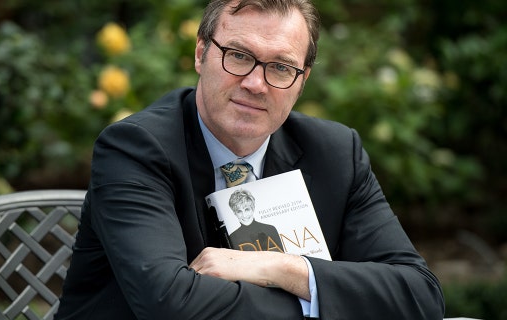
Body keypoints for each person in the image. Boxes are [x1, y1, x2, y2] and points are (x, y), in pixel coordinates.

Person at [56, 0, 445, 319]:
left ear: (302, 81)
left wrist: (282, 268)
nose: (255, 84)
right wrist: (323, 302)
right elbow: (168, 305)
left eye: (280, 67)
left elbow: (419, 295)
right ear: (200, 52)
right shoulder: (135, 148)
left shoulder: (336, 153)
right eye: (239, 56)